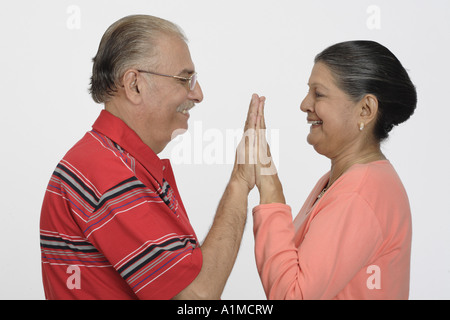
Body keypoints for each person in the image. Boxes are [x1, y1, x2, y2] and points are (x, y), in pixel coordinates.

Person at [40, 14, 264, 300]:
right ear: (135, 85)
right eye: (185, 79)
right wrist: (240, 182)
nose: (198, 94)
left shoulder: (114, 162)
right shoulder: (104, 171)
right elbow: (195, 299)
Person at [251, 41, 417, 299]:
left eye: (319, 94)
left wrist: (269, 186)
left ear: (365, 109)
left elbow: (292, 295)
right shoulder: (342, 181)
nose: (305, 104)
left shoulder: (360, 191)